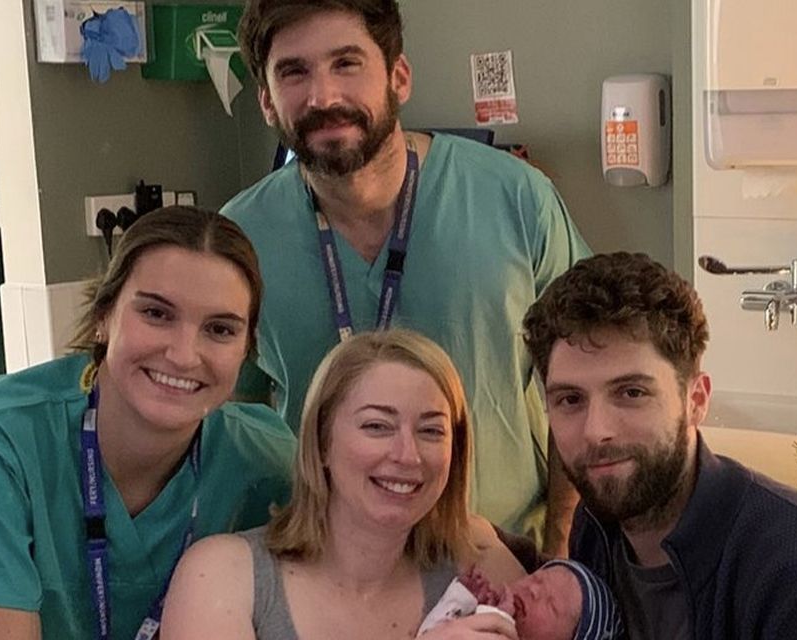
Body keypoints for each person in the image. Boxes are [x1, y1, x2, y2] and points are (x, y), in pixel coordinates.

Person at [222, 0, 590, 552]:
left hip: (505, 560)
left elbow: (585, 374)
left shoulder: (516, 199)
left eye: (347, 63)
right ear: (267, 103)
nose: (323, 97)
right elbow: (232, 412)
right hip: (327, 570)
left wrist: (563, 541)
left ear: (399, 77)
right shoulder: (241, 237)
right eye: (293, 72)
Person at [0, 206, 297, 640]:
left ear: (246, 350)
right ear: (104, 315)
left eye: (220, 329)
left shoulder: (268, 463)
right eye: (156, 314)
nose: (184, 355)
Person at [521, 251, 797, 639]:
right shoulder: (597, 527)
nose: (596, 431)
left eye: (631, 392)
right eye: (570, 400)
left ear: (696, 400)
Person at [161, 329, 527, 639]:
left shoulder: (479, 561)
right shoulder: (225, 576)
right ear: (321, 443)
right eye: (377, 426)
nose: (408, 455)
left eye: (431, 431)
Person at [420, 560, 624, 640]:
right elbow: (433, 632)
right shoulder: (474, 612)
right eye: (537, 578)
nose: (534, 590)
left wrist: (496, 618)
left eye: (551, 605)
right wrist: (462, 597)